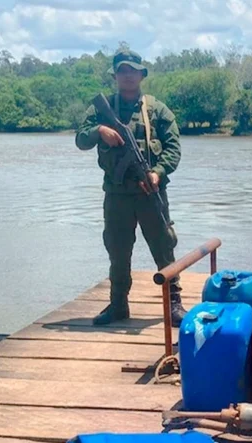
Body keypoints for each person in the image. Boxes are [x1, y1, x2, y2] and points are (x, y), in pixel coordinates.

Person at [75, 48, 187, 327]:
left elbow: (173, 149)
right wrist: (99, 131)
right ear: (115, 75)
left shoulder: (157, 109)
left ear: (141, 75)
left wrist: (158, 173)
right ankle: (118, 305)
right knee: (118, 248)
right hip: (117, 195)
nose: (128, 76)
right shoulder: (101, 109)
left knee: (163, 246)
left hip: (151, 193)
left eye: (133, 71)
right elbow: (80, 139)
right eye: (122, 71)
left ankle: (173, 304)